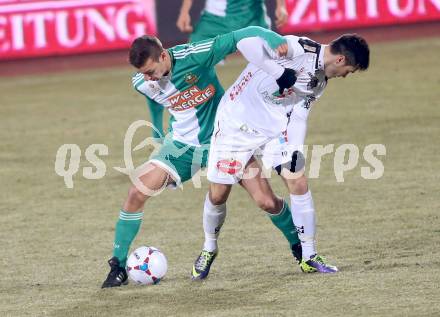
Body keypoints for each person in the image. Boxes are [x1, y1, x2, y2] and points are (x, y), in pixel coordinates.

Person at [101, 26, 303, 288]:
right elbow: (152, 95)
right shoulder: (142, 81)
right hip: (182, 146)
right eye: (143, 74)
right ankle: (118, 266)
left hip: (227, 140)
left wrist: (274, 39)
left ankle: (300, 249)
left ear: (163, 56)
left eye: (151, 72)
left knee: (266, 201)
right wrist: (157, 129)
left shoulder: (196, 55)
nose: (148, 79)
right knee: (136, 192)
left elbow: (240, 35)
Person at [191, 33, 370, 279]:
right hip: (236, 123)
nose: (346, 76)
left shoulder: (318, 82)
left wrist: (294, 149)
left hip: (275, 127)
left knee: (297, 179)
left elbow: (298, 116)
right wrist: (277, 72)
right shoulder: (297, 48)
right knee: (220, 193)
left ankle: (309, 256)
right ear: (340, 60)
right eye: (350, 70)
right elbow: (246, 44)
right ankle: (209, 248)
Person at [176, 0, 288, 42]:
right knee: (192, 58)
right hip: (214, 18)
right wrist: (184, 12)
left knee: (270, 56)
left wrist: (281, 6)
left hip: (251, 16)